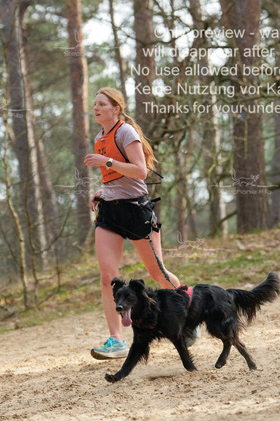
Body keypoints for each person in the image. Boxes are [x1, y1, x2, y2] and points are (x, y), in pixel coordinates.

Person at [84, 87, 196, 360]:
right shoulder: (99, 137)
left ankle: (190, 317)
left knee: (158, 274)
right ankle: (117, 340)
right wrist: (102, 190)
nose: (96, 108)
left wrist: (107, 161)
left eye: (102, 104)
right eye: (95, 104)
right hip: (110, 213)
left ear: (116, 109)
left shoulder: (125, 132)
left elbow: (140, 171)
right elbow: (114, 177)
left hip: (136, 211)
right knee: (107, 278)